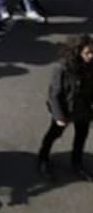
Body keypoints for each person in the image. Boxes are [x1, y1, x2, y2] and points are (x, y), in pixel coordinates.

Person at [36, 33, 93, 182]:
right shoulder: (62, 68)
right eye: (88, 53)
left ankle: (77, 163)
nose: (91, 56)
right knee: (54, 134)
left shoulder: (90, 66)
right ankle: (43, 158)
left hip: (83, 108)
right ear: (77, 52)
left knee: (81, 136)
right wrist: (59, 116)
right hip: (65, 108)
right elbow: (54, 94)